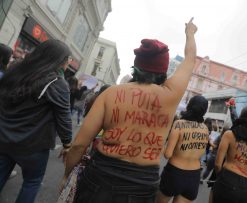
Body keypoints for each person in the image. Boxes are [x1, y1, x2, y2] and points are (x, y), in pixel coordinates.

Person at [62, 18, 198, 203]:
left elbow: (79, 144)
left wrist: (66, 176)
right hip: (142, 185)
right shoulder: (170, 94)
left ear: (136, 65)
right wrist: (189, 33)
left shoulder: (111, 93)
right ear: (163, 70)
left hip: (100, 177)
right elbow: (190, 59)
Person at [0, 39, 73, 203]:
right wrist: (67, 145)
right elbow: (64, 118)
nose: (69, 62)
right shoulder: (56, 82)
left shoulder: (16, 69)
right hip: (32, 145)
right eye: (68, 59)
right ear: (59, 60)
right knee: (32, 182)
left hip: (4, 137)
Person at [157, 95, 209, 203]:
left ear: (189, 106)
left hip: (174, 173)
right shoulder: (205, 129)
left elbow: (167, 154)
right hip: (194, 176)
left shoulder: (179, 124)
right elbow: (201, 152)